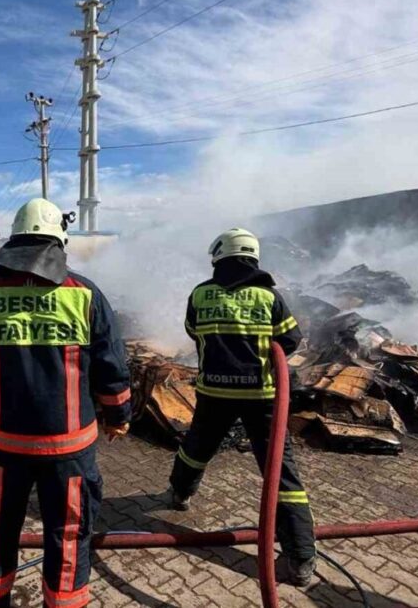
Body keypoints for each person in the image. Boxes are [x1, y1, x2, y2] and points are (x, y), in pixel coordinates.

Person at [0, 198, 132, 608]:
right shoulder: (84, 294)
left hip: (4, 445)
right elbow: (112, 366)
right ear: (58, 242)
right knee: (68, 533)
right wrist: (118, 415)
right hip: (69, 448)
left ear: (14, 239)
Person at [167, 228, 318, 587]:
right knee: (281, 473)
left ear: (220, 256)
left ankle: (180, 493)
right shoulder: (269, 296)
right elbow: (291, 338)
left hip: (214, 393)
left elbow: (193, 330)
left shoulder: (200, 294)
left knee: (197, 448)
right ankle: (300, 558)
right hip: (262, 397)